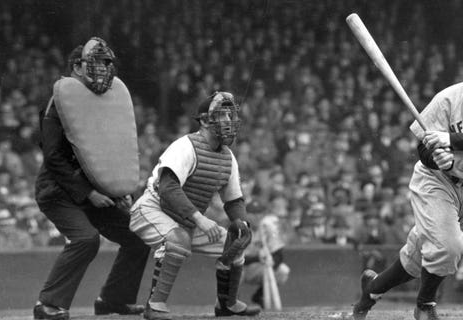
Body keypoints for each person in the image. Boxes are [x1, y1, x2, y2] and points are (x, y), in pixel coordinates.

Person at [352, 34, 463, 320]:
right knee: (448, 248)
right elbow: (423, 148)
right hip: (437, 182)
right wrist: (436, 158)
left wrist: (450, 141)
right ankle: (425, 305)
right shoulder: (449, 98)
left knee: (417, 258)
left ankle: (371, 290)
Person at [33, 37, 150, 320]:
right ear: (77, 67)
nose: (103, 71)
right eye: (96, 65)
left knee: (138, 238)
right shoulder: (58, 103)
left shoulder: (104, 103)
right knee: (86, 239)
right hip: (58, 191)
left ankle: (113, 300)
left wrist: (116, 187)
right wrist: (88, 193)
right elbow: (53, 158)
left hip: (97, 193)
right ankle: (47, 305)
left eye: (106, 65)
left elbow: (110, 151)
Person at [129, 91, 261, 319]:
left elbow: (234, 200)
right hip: (152, 209)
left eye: (231, 115)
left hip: (186, 220)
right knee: (177, 239)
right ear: (205, 120)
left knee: (235, 241)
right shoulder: (186, 146)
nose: (229, 121)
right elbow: (168, 188)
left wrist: (241, 222)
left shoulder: (227, 157)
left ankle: (226, 304)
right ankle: (155, 305)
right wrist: (200, 219)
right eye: (223, 115)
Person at [242, 200, 290, 308]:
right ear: (246, 214)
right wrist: (257, 258)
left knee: (282, 270)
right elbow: (233, 257)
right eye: (253, 213)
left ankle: (259, 296)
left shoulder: (269, 227)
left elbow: (279, 254)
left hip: (258, 268)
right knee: (233, 269)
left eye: (259, 213)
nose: (257, 216)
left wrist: (271, 261)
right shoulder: (239, 227)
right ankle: (231, 302)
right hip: (241, 267)